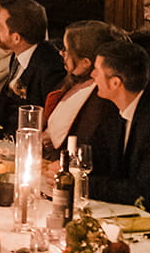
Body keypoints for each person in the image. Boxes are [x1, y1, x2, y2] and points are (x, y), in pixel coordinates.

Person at [89, 39, 150, 221]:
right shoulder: (113, 105)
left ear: (115, 83)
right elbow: (96, 153)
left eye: (97, 71)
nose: (92, 75)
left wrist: (82, 183)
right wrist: (67, 166)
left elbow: (144, 192)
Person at [0, 0, 65, 136]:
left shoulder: (49, 67)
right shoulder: (18, 55)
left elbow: (46, 118)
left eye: (1, 25)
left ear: (16, 38)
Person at [42, 20, 121, 157]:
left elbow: (82, 142)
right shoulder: (72, 81)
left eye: (66, 50)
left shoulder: (98, 98)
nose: (61, 53)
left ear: (85, 62)